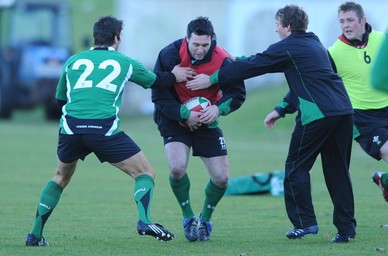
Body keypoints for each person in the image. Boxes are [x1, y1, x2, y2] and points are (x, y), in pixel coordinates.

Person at [186, 5, 357, 243]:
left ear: (287, 26)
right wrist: (281, 109)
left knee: (295, 169)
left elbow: (258, 64)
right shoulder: (314, 44)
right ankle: (346, 230)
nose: (276, 29)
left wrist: (214, 77)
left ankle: (304, 223)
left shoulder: (289, 46)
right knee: (338, 172)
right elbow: (272, 64)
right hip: (343, 112)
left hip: (318, 115)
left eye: (277, 25)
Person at [25, 15, 193, 246]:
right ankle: (144, 221)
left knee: (60, 177)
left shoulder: (73, 61)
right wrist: (176, 75)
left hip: (71, 128)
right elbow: (156, 81)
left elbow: (60, 101)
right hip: (103, 130)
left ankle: (34, 235)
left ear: (95, 37)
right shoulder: (125, 62)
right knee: (145, 173)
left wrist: (76, 123)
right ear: (117, 37)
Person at [151, 16, 246, 242]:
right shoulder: (169, 54)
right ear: (187, 39)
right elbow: (158, 93)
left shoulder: (223, 60)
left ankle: (205, 219)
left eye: (205, 44)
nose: (200, 49)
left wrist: (218, 109)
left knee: (222, 178)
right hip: (174, 118)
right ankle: (187, 218)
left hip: (207, 119)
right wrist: (184, 114)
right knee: (177, 168)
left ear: (212, 39)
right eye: (196, 44)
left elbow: (238, 94)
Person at [328, 2, 388, 207]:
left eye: (350, 20)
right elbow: (313, 79)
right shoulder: (334, 53)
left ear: (362, 20)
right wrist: (282, 108)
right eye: (342, 21)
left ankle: (385, 179)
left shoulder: (382, 39)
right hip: (363, 117)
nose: (345, 25)